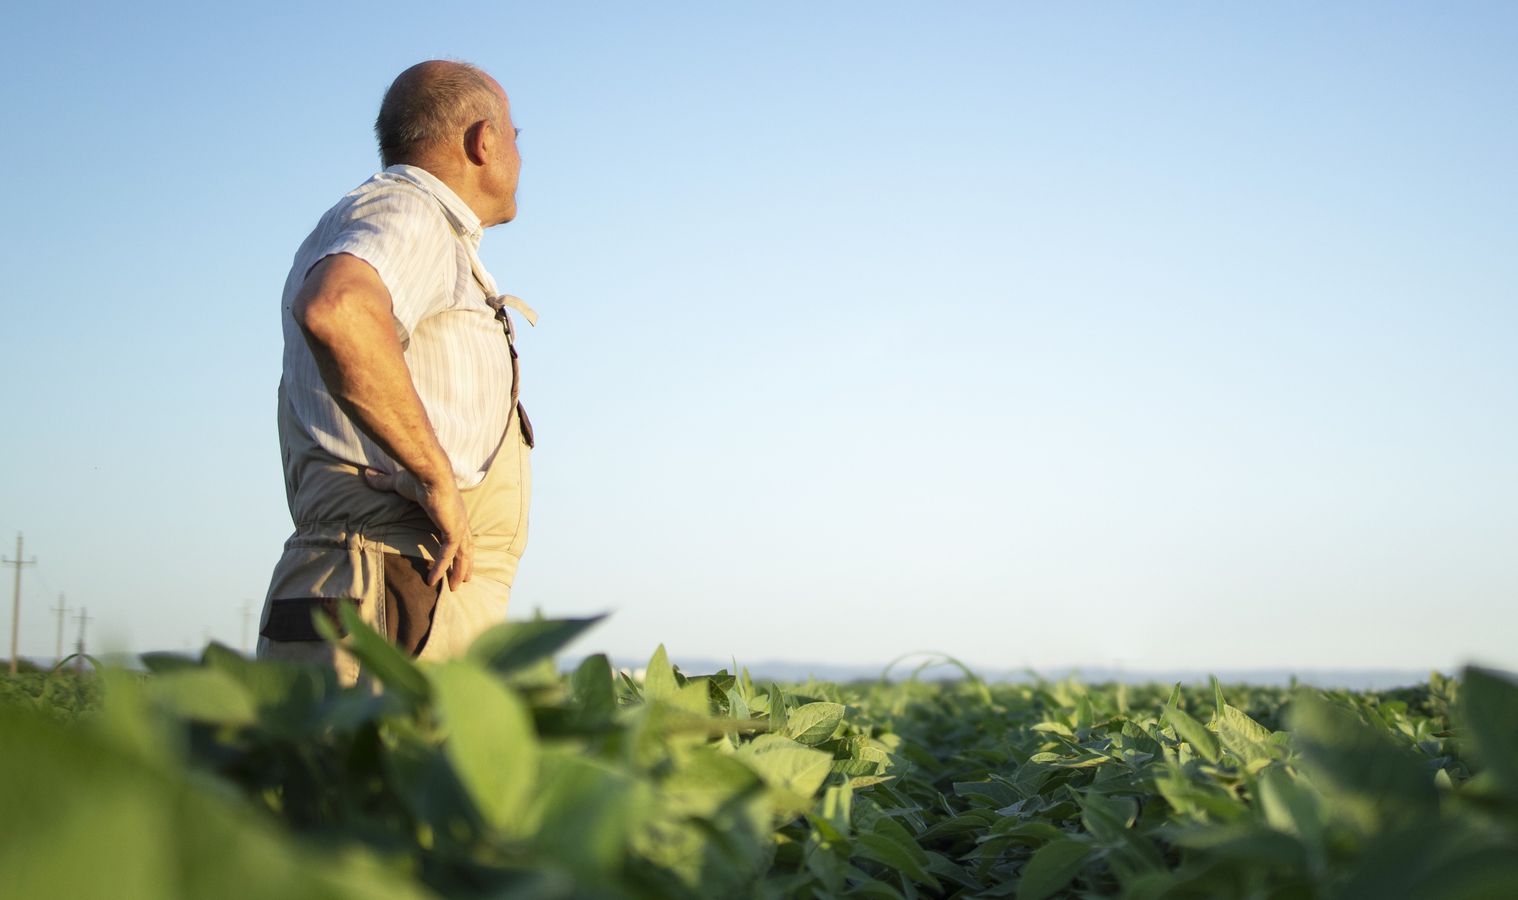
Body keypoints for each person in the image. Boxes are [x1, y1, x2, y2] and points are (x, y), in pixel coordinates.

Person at [256, 60, 536, 678]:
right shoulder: (410, 213)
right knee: (383, 772)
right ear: (483, 140)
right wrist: (435, 476)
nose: (520, 153)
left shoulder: (392, 219)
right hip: (389, 588)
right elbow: (339, 308)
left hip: (391, 585)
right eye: (518, 135)